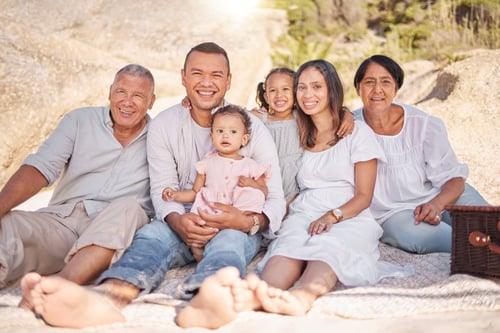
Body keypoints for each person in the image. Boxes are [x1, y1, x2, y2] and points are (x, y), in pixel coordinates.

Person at [19, 41, 285, 329]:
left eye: (216, 75)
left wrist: (250, 222)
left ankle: (206, 299)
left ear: (229, 81)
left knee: (229, 243)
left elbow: (276, 196)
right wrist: (178, 220)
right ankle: (107, 298)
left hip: (237, 221)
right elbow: (162, 188)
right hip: (184, 217)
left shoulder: (250, 128)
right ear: (183, 77)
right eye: (197, 73)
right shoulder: (164, 125)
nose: (206, 83)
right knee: (151, 238)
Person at [177, 59, 399, 329]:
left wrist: (332, 216)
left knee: (328, 247)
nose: (308, 94)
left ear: (332, 90)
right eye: (302, 88)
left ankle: (300, 298)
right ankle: (237, 300)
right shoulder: (298, 129)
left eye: (317, 87)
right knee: (288, 247)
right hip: (303, 208)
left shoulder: (355, 132)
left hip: (348, 213)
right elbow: (236, 121)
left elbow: (364, 196)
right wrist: (189, 104)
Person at [0, 64, 155, 290]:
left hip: (113, 231)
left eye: (138, 95)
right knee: (9, 225)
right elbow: (41, 167)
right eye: (121, 92)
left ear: (151, 101)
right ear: (110, 91)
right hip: (61, 223)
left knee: (129, 207)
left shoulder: (161, 135)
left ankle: (59, 289)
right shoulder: (79, 120)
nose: (127, 102)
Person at [351, 54, 490, 254]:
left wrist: (436, 204)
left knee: (489, 226)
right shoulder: (350, 127)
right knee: (457, 241)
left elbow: (454, 179)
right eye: (369, 82)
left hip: (441, 194)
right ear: (358, 88)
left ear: (396, 89)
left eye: (385, 82)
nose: (377, 90)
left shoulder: (423, 124)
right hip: (393, 213)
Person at [162, 104, 271, 261]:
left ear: (244, 139)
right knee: (198, 234)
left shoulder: (250, 165)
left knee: (254, 196)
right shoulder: (207, 163)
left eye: (233, 132)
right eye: (220, 131)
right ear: (212, 136)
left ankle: (218, 253)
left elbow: (264, 192)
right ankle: (200, 256)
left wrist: (251, 184)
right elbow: (194, 192)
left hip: (236, 214)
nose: (225, 136)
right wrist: (174, 195)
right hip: (211, 211)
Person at [250, 67, 354, 206]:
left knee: (288, 214)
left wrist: (347, 114)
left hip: (294, 186)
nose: (279, 95)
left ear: (296, 93)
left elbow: (329, 111)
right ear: (266, 97)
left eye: (285, 89)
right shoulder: (259, 119)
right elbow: (235, 118)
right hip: (266, 180)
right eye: (273, 90)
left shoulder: (302, 117)